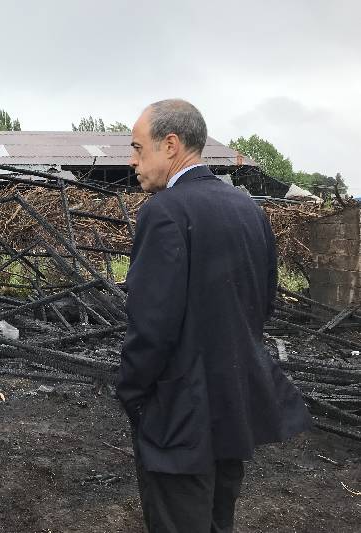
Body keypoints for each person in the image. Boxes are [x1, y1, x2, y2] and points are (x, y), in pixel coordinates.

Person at [116, 99, 311, 532]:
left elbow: (151, 326)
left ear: (170, 145)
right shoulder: (248, 210)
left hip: (178, 416)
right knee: (219, 521)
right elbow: (263, 304)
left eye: (137, 147)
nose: (132, 160)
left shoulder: (164, 212)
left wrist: (132, 394)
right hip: (234, 403)